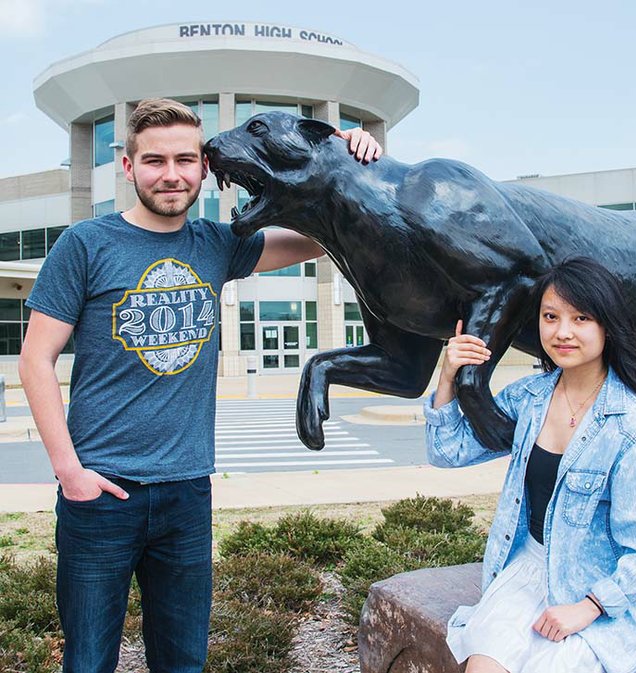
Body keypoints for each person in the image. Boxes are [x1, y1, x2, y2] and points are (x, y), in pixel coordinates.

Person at [18, 97, 381, 673]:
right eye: (155, 160)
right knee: (87, 661)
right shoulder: (84, 245)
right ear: (128, 165)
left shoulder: (217, 243)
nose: (172, 174)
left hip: (187, 491)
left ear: (203, 168)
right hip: (100, 493)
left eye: (185, 160)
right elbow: (35, 360)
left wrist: (343, 156)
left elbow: (317, 240)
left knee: (184, 661)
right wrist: (70, 473)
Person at [424, 257, 636, 673]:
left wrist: (589, 607)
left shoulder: (632, 427)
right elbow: (448, 451)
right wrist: (448, 375)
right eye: (550, 316)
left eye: (581, 318)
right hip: (527, 568)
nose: (562, 332)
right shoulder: (529, 398)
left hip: (598, 590)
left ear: (607, 327)